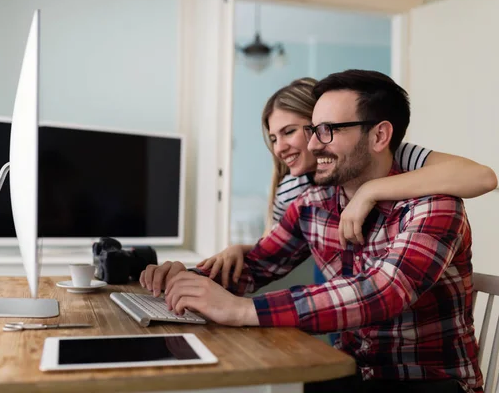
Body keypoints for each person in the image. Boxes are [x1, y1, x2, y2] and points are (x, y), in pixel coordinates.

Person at [140, 70, 485, 392]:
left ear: (380, 135)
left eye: (327, 130)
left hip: (426, 383)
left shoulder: (434, 203)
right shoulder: (312, 202)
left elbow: (382, 292)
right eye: (313, 130)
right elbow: (257, 265)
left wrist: (243, 310)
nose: (314, 144)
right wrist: (185, 281)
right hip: (344, 372)